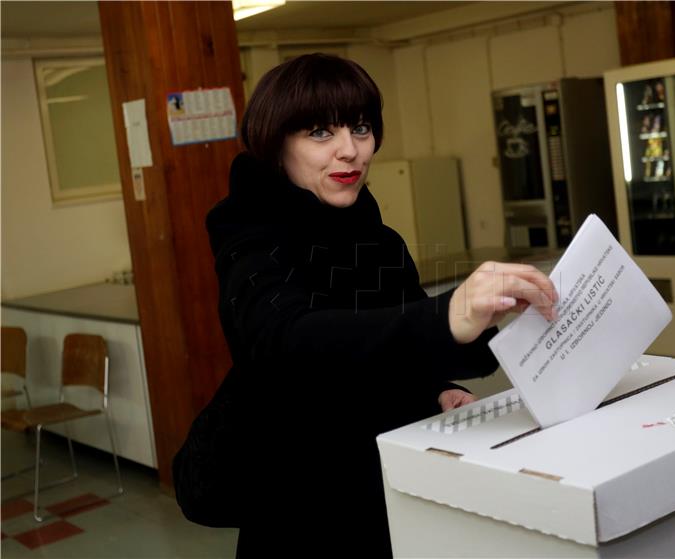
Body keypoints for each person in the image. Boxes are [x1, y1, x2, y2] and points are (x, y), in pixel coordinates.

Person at [173, 53, 557, 557]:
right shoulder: (249, 234)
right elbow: (284, 337)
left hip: (389, 485)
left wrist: (438, 386)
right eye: (319, 133)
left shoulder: (378, 238)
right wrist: (448, 317)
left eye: (360, 128)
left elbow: (399, 336)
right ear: (277, 144)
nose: (349, 151)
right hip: (299, 502)